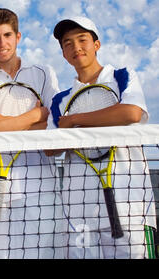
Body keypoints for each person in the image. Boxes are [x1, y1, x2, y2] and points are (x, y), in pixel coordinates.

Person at [47, 16, 157, 258]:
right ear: (64, 54)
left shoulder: (122, 77)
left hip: (131, 206)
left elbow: (131, 112)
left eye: (82, 39)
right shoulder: (60, 100)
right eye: (67, 43)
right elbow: (50, 148)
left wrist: (75, 120)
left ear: (96, 44)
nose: (76, 47)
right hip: (79, 213)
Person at [0, 8, 66, 259]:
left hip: (41, 185)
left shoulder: (43, 72)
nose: (1, 43)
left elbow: (54, 125)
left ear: (18, 36)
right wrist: (35, 116)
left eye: (7, 35)